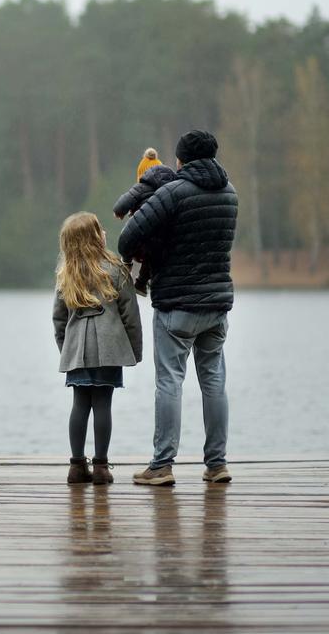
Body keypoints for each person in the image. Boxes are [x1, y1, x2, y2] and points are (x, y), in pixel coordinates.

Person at [118, 129, 238, 486]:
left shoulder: (173, 193)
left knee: (169, 382)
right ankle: (217, 465)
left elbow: (128, 237)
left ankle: (162, 465)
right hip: (217, 306)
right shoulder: (230, 194)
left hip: (176, 306)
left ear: (181, 161)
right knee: (214, 382)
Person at [53, 212, 144, 485]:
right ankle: (101, 467)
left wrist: (65, 349)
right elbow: (130, 315)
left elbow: (58, 318)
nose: (105, 232)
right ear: (93, 239)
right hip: (109, 349)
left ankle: (77, 466)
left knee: (80, 404)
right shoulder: (116, 270)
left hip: (77, 351)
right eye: (100, 229)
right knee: (103, 404)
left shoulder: (66, 274)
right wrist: (134, 351)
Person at [113, 147, 178, 295]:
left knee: (129, 241)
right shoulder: (170, 190)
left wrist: (119, 212)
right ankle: (141, 283)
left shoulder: (140, 188)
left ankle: (126, 265)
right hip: (162, 237)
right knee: (152, 255)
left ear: (142, 174)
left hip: (142, 233)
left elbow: (121, 204)